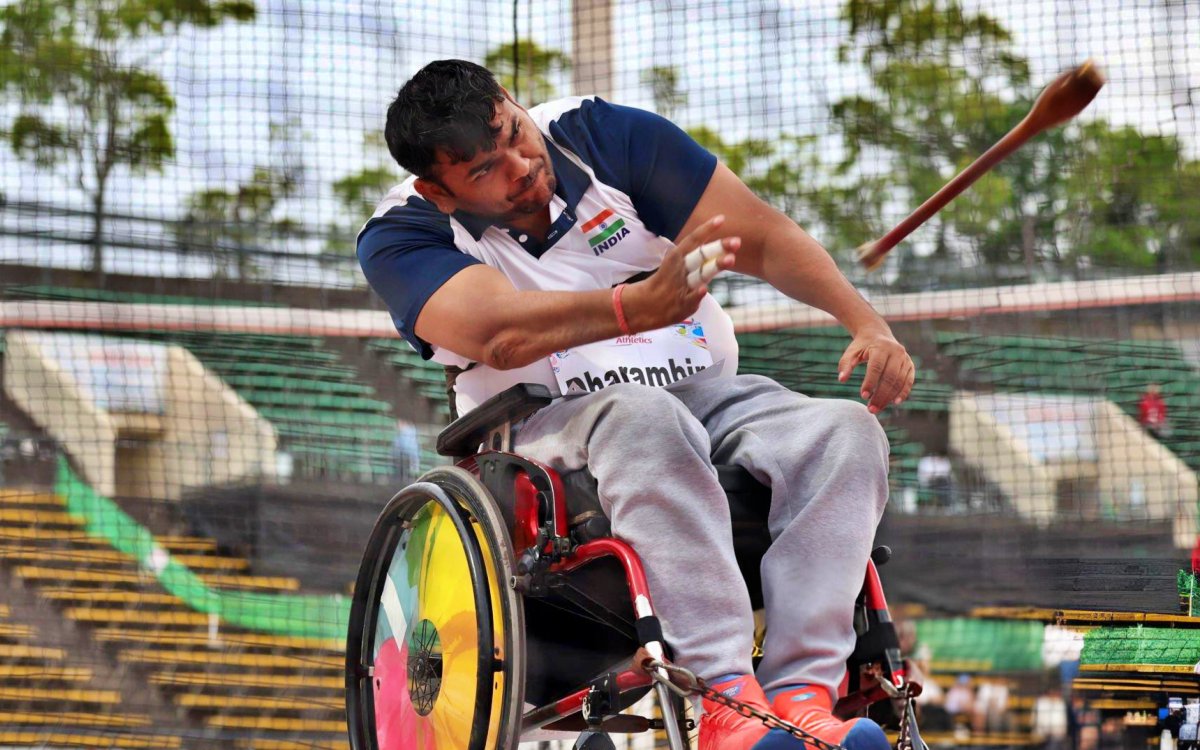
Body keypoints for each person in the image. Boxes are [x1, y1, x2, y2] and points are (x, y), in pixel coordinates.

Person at [358, 59, 915, 750]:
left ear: (511, 101)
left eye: (513, 133)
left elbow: (760, 235)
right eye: (483, 171)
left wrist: (866, 322)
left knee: (843, 432)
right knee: (645, 417)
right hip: (543, 423)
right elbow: (499, 335)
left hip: (706, 397)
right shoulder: (401, 233)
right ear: (436, 190)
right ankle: (723, 700)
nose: (520, 164)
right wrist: (637, 307)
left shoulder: (605, 137)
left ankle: (803, 696)